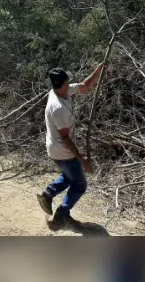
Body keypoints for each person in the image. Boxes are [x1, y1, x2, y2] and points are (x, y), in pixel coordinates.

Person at [36, 63, 106, 229]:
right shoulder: (58, 108)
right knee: (79, 184)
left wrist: (98, 70)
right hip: (62, 150)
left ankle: (47, 195)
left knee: (69, 176)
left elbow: (85, 86)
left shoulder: (62, 91)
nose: (70, 84)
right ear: (60, 85)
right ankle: (61, 215)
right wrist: (82, 160)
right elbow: (66, 139)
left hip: (56, 148)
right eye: (67, 82)